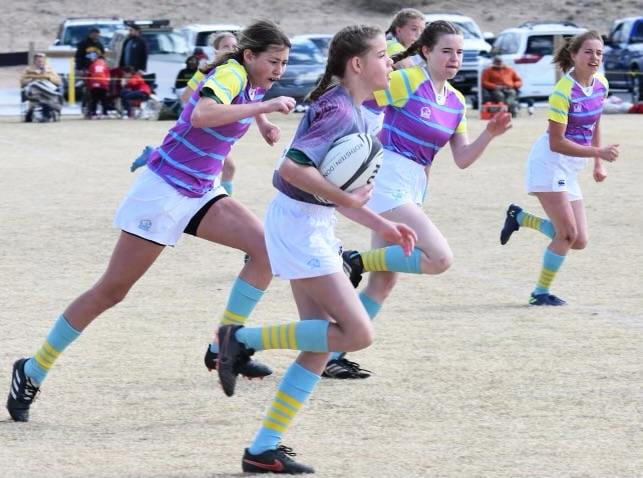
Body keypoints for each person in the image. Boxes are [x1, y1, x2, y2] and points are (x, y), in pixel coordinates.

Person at [6, 20, 296, 424]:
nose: (279, 70)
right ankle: (32, 369)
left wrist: (262, 120)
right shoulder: (232, 72)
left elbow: (239, 103)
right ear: (249, 56)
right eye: (274, 62)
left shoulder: (253, 80)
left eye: (284, 63)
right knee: (111, 291)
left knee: (265, 248)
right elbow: (202, 114)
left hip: (200, 190)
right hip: (163, 193)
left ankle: (224, 346)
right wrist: (263, 109)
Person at [214, 25, 416, 474]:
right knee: (357, 333)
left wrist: (382, 223)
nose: (391, 62)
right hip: (298, 226)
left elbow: (335, 193)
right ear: (357, 64)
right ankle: (240, 339)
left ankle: (262, 449)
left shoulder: (358, 111)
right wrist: (347, 200)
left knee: (319, 342)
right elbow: (291, 169)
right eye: (383, 55)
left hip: (312, 223)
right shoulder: (338, 109)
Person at [332, 21, 512, 378]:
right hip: (387, 178)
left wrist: (490, 134)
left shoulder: (457, 101)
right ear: (426, 51)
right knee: (439, 258)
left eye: (459, 52)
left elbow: (462, 159)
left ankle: (332, 355)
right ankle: (354, 260)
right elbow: (354, 97)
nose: (454, 58)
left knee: (384, 283)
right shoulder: (408, 80)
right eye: (446, 51)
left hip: (413, 187)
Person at [499, 31, 618, 306]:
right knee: (567, 235)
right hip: (549, 164)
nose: (595, 57)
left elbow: (595, 122)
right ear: (574, 55)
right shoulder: (563, 91)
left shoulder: (601, 84)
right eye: (588, 51)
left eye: (599, 52)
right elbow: (557, 142)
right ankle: (539, 293)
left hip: (569, 167)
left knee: (579, 240)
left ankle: (519, 218)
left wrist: (598, 163)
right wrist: (598, 152)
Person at [20, 52, 62, 122]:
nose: (40, 62)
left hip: (47, 91)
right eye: (38, 60)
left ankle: (31, 112)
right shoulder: (28, 70)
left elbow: (58, 82)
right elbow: (22, 82)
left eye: (42, 60)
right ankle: (45, 113)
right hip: (33, 92)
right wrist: (33, 78)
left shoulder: (50, 70)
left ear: (44, 61)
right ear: (34, 61)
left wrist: (48, 77)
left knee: (44, 95)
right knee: (36, 88)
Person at [86, 51, 111, 118]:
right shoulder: (105, 65)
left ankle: (93, 114)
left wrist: (89, 85)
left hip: (94, 84)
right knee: (104, 100)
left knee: (94, 100)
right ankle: (105, 113)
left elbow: (89, 75)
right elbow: (108, 77)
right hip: (103, 84)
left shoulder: (92, 65)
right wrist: (107, 85)